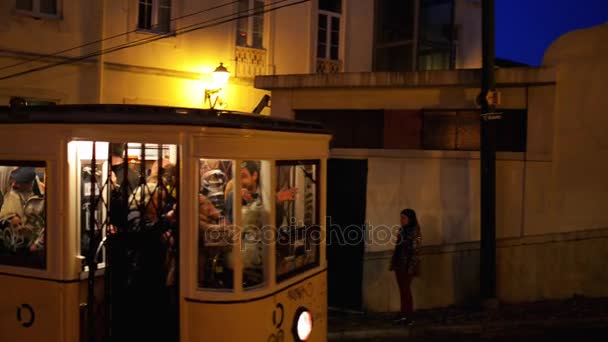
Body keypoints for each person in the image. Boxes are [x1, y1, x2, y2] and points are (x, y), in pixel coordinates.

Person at [390, 208, 421, 325]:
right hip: (399, 264)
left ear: (410, 219)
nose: (401, 220)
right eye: (401, 217)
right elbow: (398, 248)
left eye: (404, 218)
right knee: (402, 290)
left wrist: (411, 268)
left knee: (406, 290)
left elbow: (415, 251)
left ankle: (409, 316)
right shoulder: (402, 230)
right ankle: (403, 313)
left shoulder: (414, 231)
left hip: (407, 266)